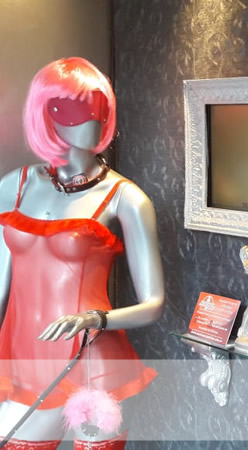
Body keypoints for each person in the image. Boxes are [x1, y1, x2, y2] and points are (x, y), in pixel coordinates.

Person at [0, 57, 165, 448]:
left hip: (92, 362)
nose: (91, 120)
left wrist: (95, 318)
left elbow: (154, 304)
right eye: (73, 107)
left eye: (98, 107)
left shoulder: (127, 198)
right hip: (22, 363)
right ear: (46, 114)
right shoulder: (12, 187)